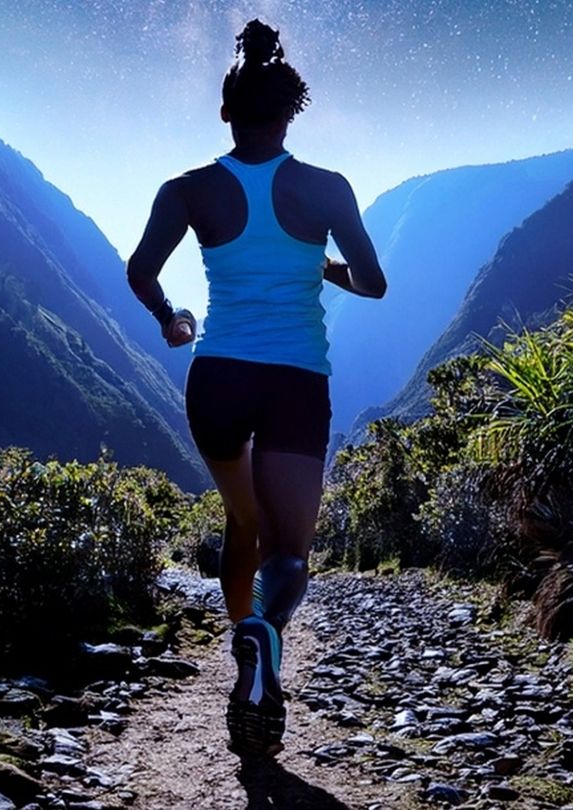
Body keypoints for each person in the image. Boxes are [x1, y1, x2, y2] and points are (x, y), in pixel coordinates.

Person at [126, 18, 387, 758]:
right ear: (291, 111)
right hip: (297, 382)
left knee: (243, 518)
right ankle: (264, 635)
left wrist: (171, 317)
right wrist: (321, 267)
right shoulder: (327, 189)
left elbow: (141, 271)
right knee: (291, 555)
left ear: (225, 111)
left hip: (218, 378)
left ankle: (246, 652)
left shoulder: (188, 190)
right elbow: (373, 283)